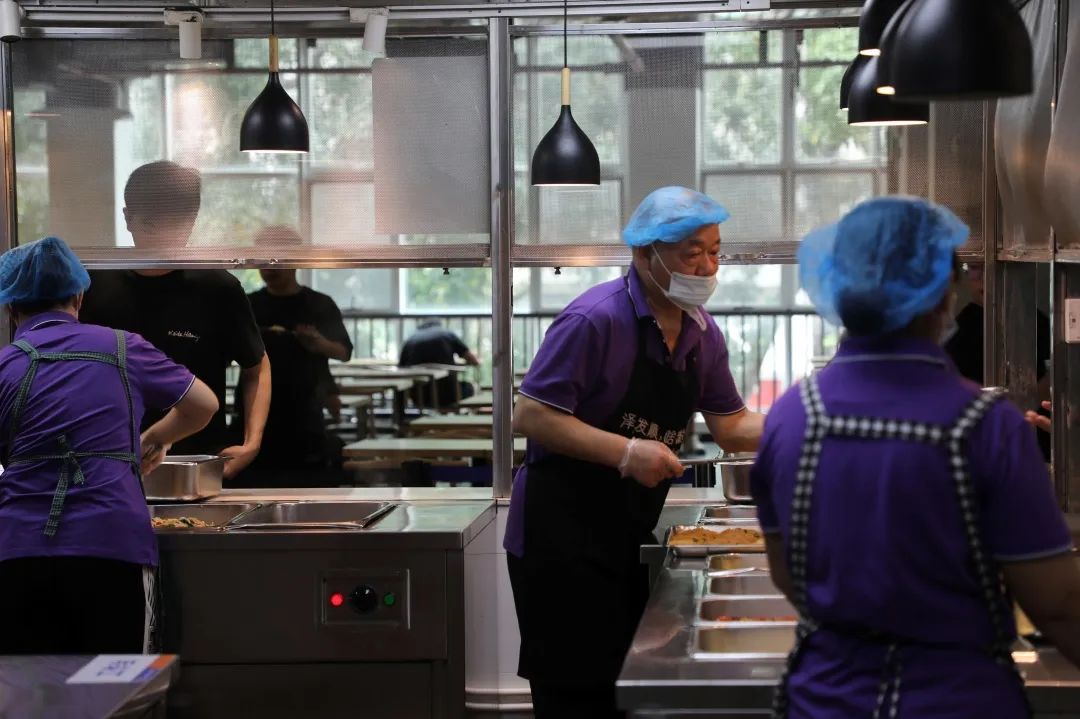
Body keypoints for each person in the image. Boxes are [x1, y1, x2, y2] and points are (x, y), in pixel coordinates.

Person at [752, 196, 1080, 719]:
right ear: (942, 293)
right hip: (959, 702)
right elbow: (1057, 604)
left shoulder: (792, 416)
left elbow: (789, 574)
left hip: (824, 701)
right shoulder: (986, 424)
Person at [505, 186, 764, 718]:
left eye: (716, 251)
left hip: (629, 533)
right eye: (692, 253)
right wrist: (626, 453)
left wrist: (814, 424)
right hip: (560, 540)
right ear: (645, 253)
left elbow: (734, 427)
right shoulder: (594, 319)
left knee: (627, 691)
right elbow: (531, 415)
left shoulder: (701, 332)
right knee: (574, 693)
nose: (708, 266)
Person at [0, 237, 218, 655]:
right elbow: (203, 405)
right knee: (114, 684)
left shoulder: (7, 364)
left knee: (28, 687)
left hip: (18, 552)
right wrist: (154, 439)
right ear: (79, 296)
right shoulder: (122, 348)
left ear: (11, 307)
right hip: (110, 546)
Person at [79, 161, 271, 482]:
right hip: (106, 462)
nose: (163, 238)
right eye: (151, 225)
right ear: (128, 218)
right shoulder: (92, 285)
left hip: (196, 464)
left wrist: (252, 443)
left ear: (192, 221)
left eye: (177, 226)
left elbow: (257, 365)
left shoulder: (217, 287)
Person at [233, 225, 354, 487]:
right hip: (254, 412)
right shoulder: (247, 304)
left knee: (306, 487)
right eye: (262, 260)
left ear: (296, 259)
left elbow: (344, 352)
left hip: (304, 412)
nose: (268, 268)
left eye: (276, 260)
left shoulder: (319, 304)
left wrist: (319, 344)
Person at [945, 262, 1052, 457]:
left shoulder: (1038, 323)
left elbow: (1054, 377)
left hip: (1036, 437)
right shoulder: (958, 331)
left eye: (992, 268)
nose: (984, 278)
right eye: (975, 268)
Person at [399, 318, 480, 407]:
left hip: (419, 397)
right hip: (449, 394)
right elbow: (473, 360)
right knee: (473, 387)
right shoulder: (447, 334)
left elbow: (401, 368)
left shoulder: (411, 339)